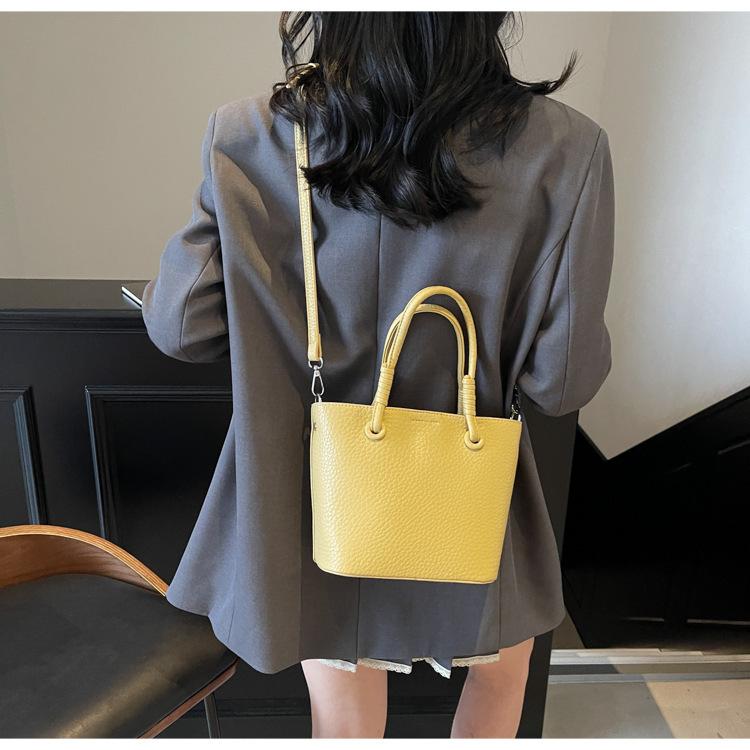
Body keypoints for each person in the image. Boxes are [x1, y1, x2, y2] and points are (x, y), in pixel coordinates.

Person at [141, 11, 614, 739]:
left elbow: (181, 326)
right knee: (500, 675)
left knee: (343, 718)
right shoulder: (568, 148)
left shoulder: (253, 135)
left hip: (308, 500)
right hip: (467, 497)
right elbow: (563, 381)